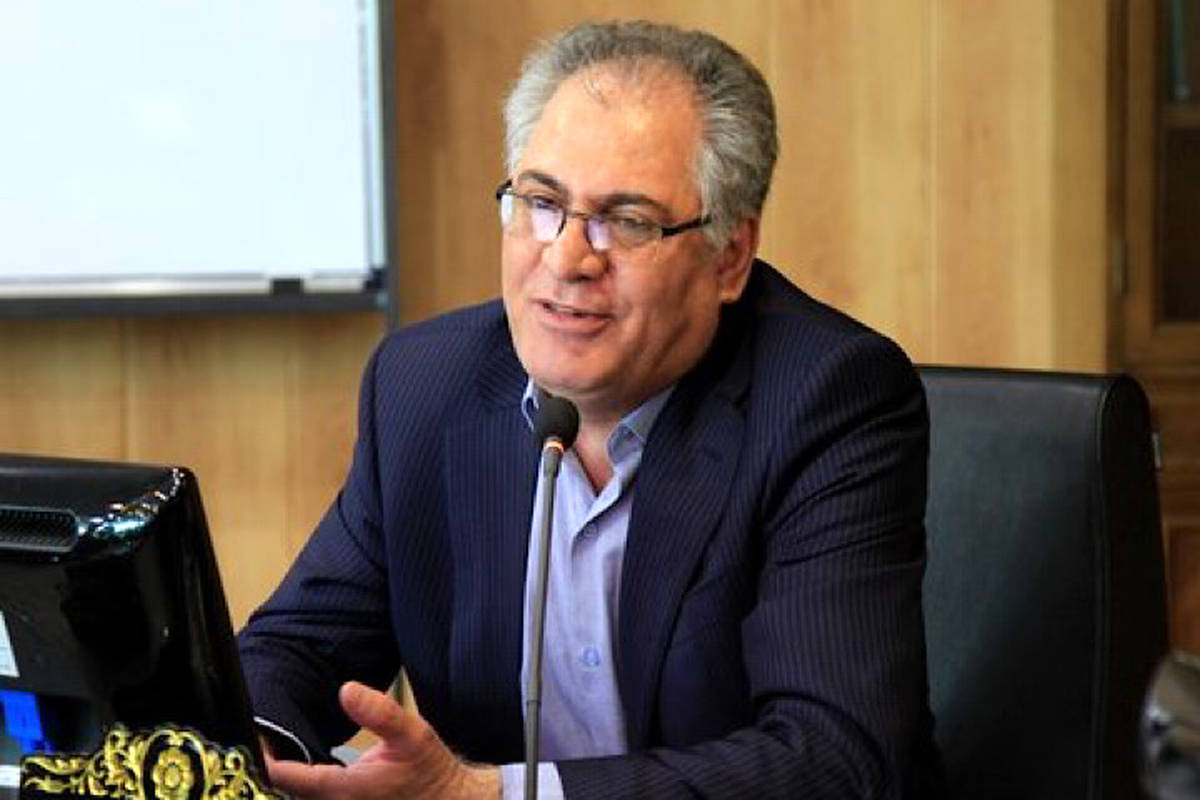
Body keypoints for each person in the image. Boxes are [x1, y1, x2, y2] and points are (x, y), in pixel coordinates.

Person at [237, 19, 941, 799]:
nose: (567, 258)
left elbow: (834, 759)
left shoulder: (826, 400)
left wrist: (489, 797)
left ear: (729, 256)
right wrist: (245, 750)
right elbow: (295, 649)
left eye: (628, 220)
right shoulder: (426, 384)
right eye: (542, 202)